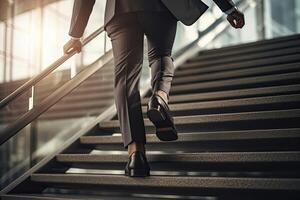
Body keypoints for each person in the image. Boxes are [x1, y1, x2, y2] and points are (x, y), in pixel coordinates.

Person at [63, 0, 245, 177]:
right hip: (160, 6)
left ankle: (136, 155)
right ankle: (159, 97)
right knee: (160, 56)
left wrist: (75, 34)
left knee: (125, 79)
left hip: (120, 9)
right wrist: (228, 8)